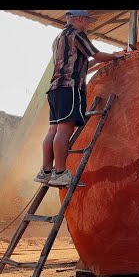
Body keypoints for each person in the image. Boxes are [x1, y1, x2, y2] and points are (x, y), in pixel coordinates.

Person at [34, 10, 127, 186]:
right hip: (70, 89)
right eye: (87, 21)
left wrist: (105, 60)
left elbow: (82, 64)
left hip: (55, 90)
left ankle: (46, 172)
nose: (88, 25)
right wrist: (115, 55)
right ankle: (60, 173)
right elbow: (97, 55)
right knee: (64, 130)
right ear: (80, 19)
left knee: (53, 130)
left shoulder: (59, 39)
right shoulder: (77, 34)